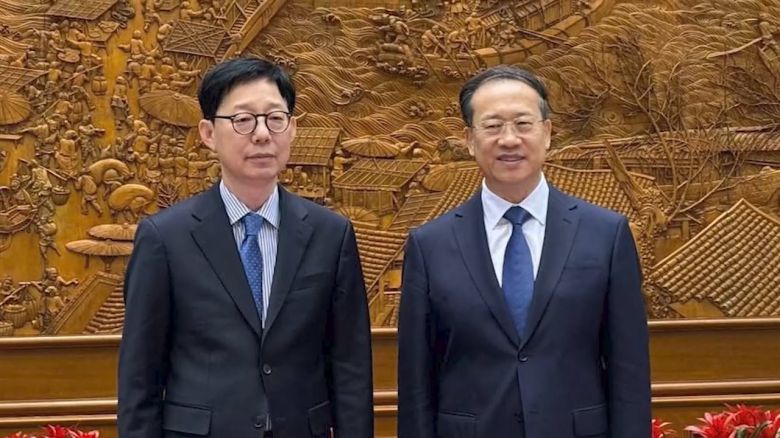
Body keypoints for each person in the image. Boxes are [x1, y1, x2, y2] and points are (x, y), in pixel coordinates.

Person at [118, 57, 374, 438]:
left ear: (292, 129)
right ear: (208, 133)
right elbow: (140, 378)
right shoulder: (164, 238)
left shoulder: (330, 234)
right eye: (243, 120)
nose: (262, 134)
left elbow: (350, 367)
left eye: (275, 118)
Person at [397, 65, 651, 437]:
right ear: (469, 139)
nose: (509, 139)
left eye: (522, 123)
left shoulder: (605, 235)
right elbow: (416, 384)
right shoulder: (430, 245)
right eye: (492, 125)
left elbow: (629, 372)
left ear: (547, 133)